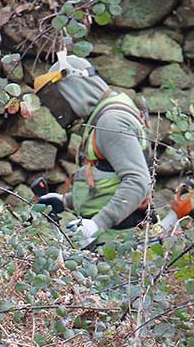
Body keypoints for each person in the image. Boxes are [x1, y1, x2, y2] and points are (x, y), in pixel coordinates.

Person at [30, 50, 165, 248]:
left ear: (73, 86)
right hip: (117, 237)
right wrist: (66, 201)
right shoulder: (105, 114)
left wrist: (96, 224)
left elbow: (138, 181)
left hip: (124, 241)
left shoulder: (111, 121)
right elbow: (107, 180)